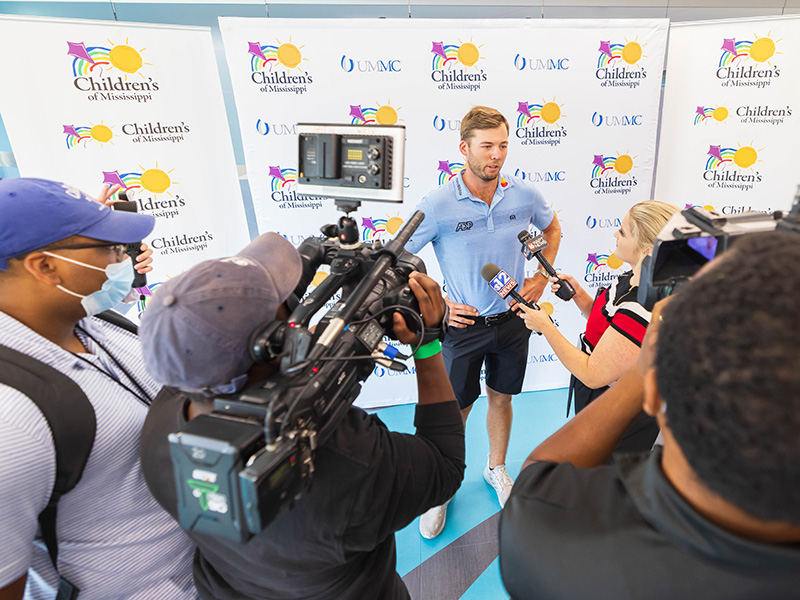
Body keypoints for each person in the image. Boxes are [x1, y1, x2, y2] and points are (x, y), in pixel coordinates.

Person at [136, 232, 466, 600]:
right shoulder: (353, 458)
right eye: (285, 304)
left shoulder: (160, 425)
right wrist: (430, 341)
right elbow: (445, 464)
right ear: (274, 344)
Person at [499, 230, 800, 599]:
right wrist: (584, 301)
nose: (615, 233)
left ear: (654, 393)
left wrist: (639, 369)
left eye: (623, 229)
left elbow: (535, 481)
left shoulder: (543, 537)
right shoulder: (624, 284)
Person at [0, 178, 196, 599]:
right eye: (108, 248)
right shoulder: (11, 422)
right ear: (45, 266)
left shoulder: (90, 319)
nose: (122, 258)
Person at [405, 105, 561, 537]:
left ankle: (496, 469)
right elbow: (399, 258)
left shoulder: (525, 195)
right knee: (456, 411)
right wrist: (437, 302)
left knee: (502, 399)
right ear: (464, 148)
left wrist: (539, 280)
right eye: (487, 146)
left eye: (503, 146)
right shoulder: (436, 206)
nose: (496, 155)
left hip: (513, 319)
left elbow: (552, 229)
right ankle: (441, 486)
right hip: (463, 327)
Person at [520, 200, 678, 453]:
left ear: (647, 251)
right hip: (599, 403)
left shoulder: (642, 308)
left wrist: (546, 327)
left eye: (623, 232)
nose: (615, 234)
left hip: (618, 415)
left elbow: (593, 374)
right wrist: (579, 295)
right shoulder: (630, 277)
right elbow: (609, 325)